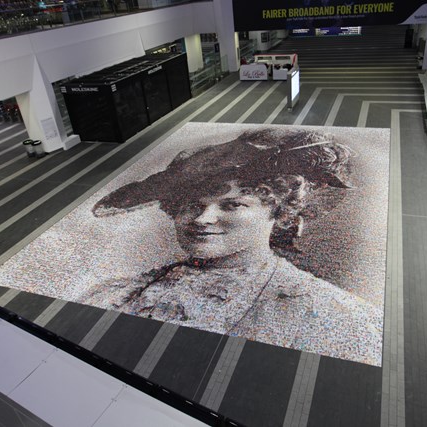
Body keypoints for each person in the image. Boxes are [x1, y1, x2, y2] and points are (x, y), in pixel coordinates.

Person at [80, 127, 382, 365]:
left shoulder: (329, 312)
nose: (202, 219)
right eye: (191, 205)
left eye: (232, 205)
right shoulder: (119, 293)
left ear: (279, 213)